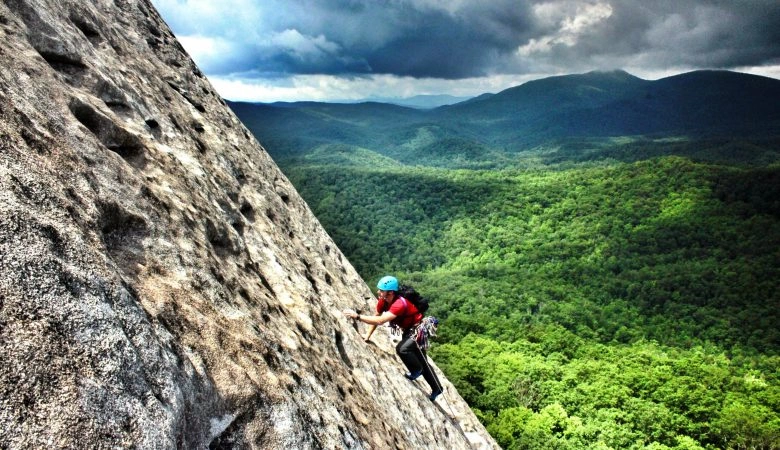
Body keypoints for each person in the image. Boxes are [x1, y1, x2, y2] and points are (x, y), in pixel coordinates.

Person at [343, 276, 443, 401]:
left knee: (403, 349)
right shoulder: (383, 301)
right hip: (409, 330)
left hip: (419, 329)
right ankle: (437, 388)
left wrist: (358, 317)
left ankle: (417, 370)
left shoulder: (399, 304)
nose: (378, 292)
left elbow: (380, 321)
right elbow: (377, 316)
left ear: (390, 292)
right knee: (421, 359)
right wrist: (368, 335)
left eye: (381, 290)